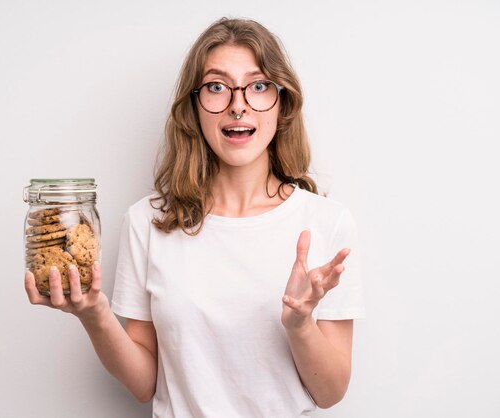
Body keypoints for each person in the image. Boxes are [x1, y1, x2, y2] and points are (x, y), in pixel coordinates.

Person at [25, 17, 365, 417]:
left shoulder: (327, 222)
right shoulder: (146, 222)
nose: (238, 104)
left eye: (258, 86)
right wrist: (95, 313)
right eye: (217, 87)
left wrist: (300, 323)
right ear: (194, 106)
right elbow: (143, 384)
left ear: (282, 102)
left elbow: (330, 392)